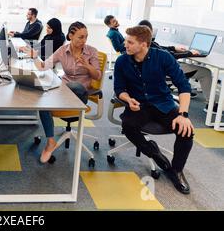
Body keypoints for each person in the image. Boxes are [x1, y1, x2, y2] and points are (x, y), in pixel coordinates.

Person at [114, 25, 194, 194]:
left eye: (129, 42)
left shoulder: (163, 57)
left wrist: (183, 115)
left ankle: (176, 171)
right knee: (128, 126)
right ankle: (154, 153)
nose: (124, 45)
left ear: (143, 44)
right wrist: (128, 99)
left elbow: (184, 86)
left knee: (186, 131)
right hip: (138, 105)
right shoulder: (122, 61)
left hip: (163, 103)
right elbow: (119, 88)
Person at [23, 22, 101, 164]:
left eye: (86, 37)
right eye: (80, 37)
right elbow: (43, 66)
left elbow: (97, 76)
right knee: (43, 102)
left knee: (75, 85)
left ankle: (59, 91)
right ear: (70, 36)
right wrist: (34, 56)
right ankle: (51, 141)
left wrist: (87, 65)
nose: (84, 41)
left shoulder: (92, 52)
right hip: (63, 90)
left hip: (80, 94)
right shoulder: (62, 50)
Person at [138, 20, 216, 112]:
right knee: (205, 72)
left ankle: (186, 91)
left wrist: (175, 48)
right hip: (166, 71)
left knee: (189, 66)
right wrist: (190, 53)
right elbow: (169, 55)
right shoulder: (149, 45)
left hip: (159, 69)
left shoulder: (141, 43)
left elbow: (162, 48)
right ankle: (211, 105)